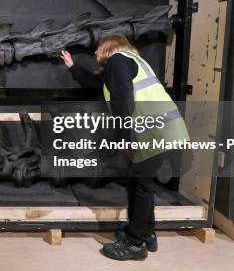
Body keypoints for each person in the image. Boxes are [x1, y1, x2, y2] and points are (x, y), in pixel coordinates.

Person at [60, 35, 189, 261]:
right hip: (166, 129)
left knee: (139, 187)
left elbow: (122, 102)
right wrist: (73, 67)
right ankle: (146, 234)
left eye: (98, 49)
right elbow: (97, 83)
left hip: (150, 132)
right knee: (142, 185)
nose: (94, 54)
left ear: (110, 47)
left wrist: (125, 139)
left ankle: (133, 244)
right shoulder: (132, 61)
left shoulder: (119, 61)